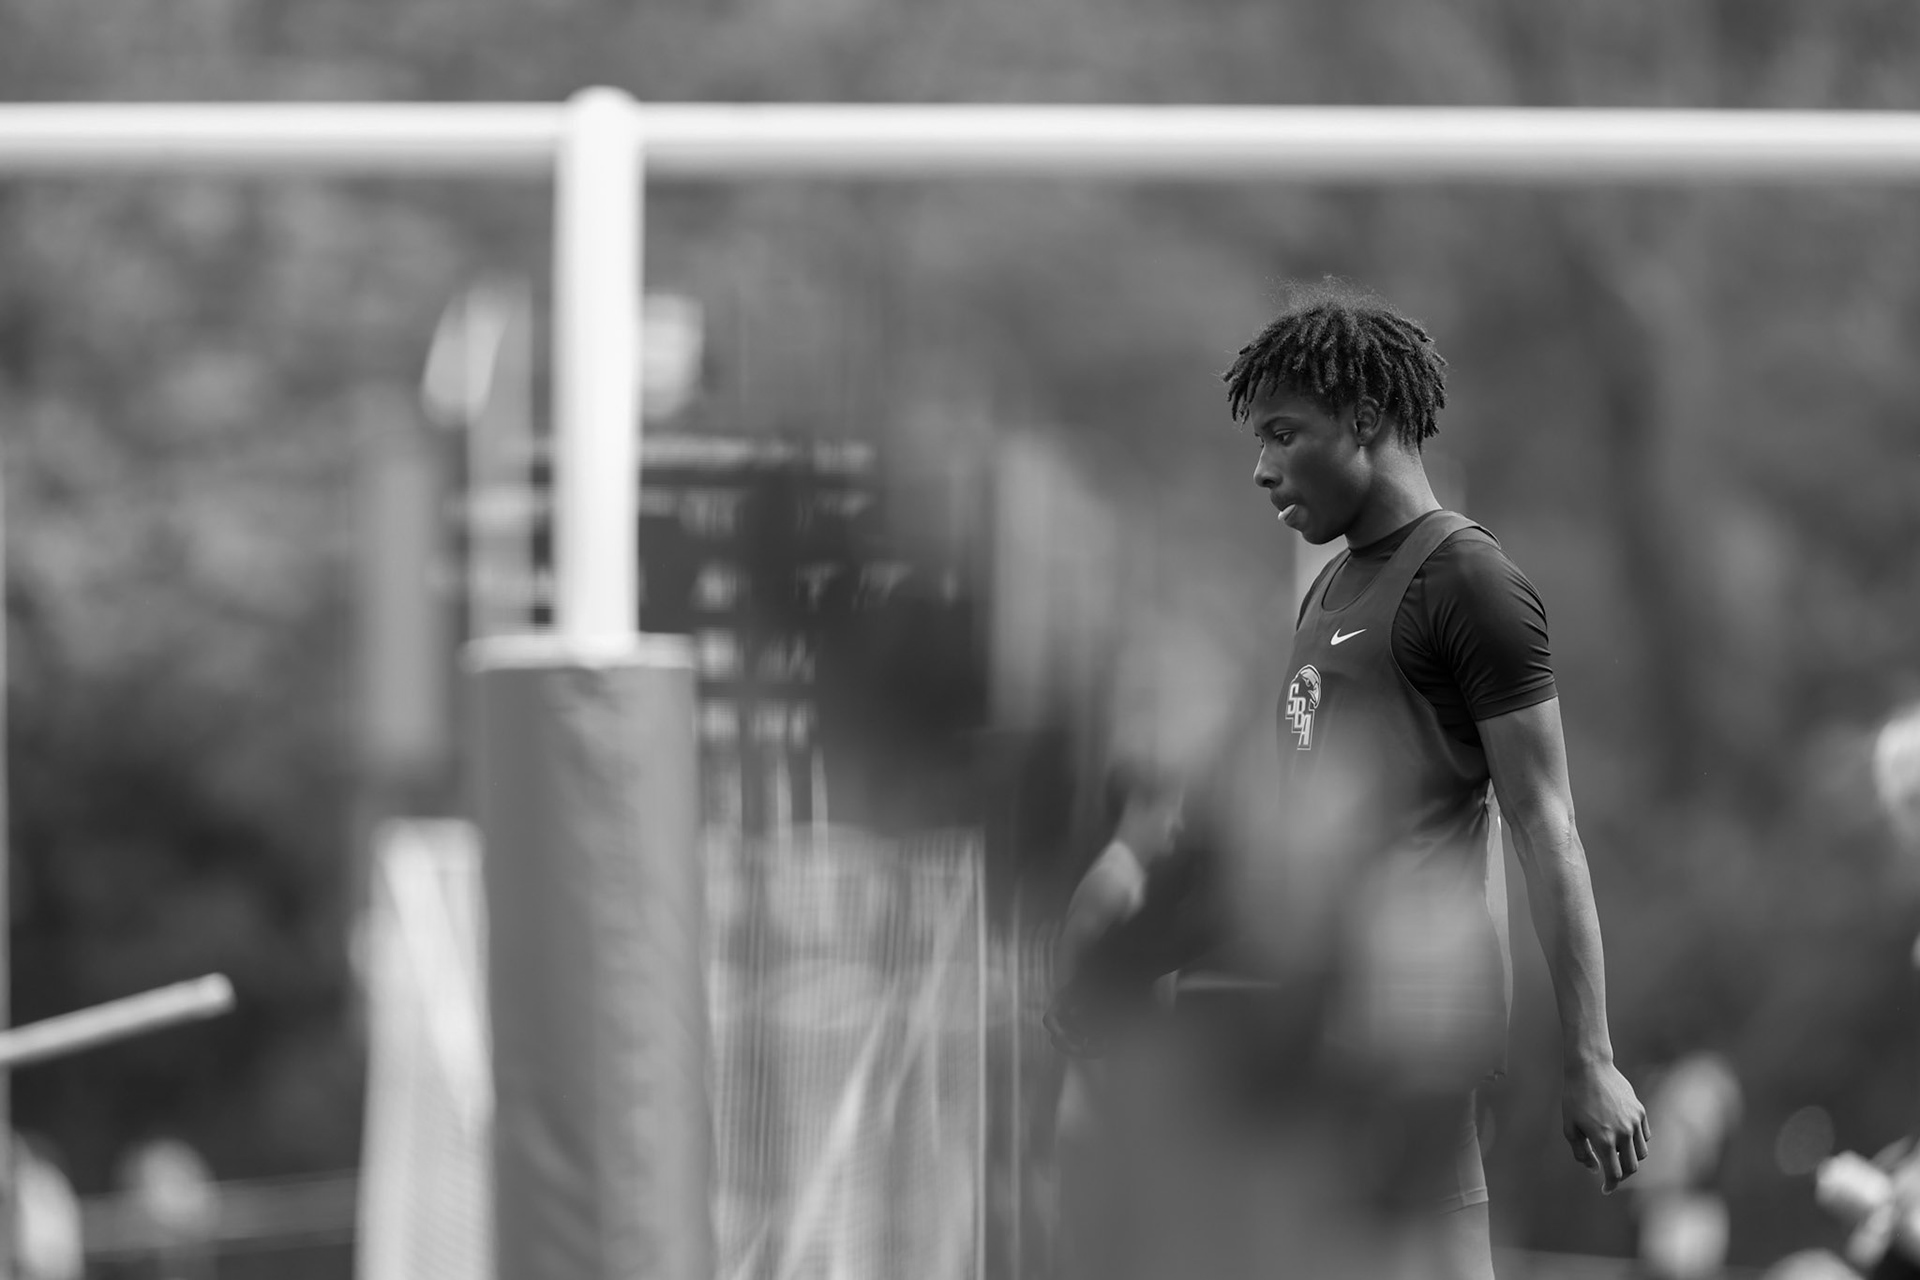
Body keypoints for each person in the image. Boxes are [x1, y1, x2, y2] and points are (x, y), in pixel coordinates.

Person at [1186, 279, 1651, 1278]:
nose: (1262, 468)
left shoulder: (1468, 581)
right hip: (1311, 1031)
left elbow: (1546, 822)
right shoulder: (1332, 582)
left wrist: (1590, 1054)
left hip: (1408, 1032)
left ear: (1363, 418)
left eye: (1282, 433)